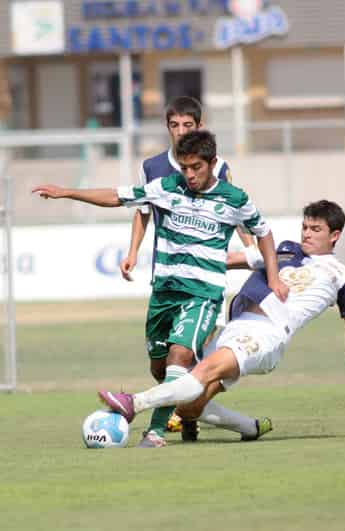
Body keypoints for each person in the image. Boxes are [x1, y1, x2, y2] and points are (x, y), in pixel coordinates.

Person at [32, 129, 288, 447]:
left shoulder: (234, 199)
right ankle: (223, 420)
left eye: (197, 167)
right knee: (161, 369)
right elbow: (118, 196)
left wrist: (274, 278)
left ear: (211, 163)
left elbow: (264, 233)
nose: (190, 174)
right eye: (185, 167)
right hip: (164, 294)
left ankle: (153, 431)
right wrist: (67, 192)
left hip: (202, 295)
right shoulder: (167, 188)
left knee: (178, 359)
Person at [98, 200, 345, 436]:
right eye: (305, 226)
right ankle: (251, 428)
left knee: (200, 374)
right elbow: (229, 260)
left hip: (266, 335)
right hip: (234, 327)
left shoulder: (343, 276)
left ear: (335, 235)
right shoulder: (283, 250)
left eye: (315, 229)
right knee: (189, 408)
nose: (306, 233)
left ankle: (133, 403)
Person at [120, 95, 257, 439]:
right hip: (166, 276)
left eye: (188, 125)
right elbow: (142, 210)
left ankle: (180, 423)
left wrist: (251, 250)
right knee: (161, 363)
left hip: (203, 278)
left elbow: (233, 207)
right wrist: (133, 251)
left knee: (183, 354)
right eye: (174, 125)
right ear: (167, 127)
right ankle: (190, 408)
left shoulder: (218, 165)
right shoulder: (152, 167)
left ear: (200, 125)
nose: (180, 131)